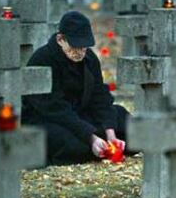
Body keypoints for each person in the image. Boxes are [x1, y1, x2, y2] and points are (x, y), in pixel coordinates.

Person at [22, 11, 130, 165]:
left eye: (84, 48)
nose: (80, 53)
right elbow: (55, 109)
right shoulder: (42, 59)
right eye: (75, 47)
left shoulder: (89, 57)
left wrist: (110, 133)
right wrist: (90, 136)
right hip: (49, 119)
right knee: (71, 143)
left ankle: (103, 143)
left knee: (121, 116)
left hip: (80, 115)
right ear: (60, 39)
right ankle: (94, 145)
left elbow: (99, 96)